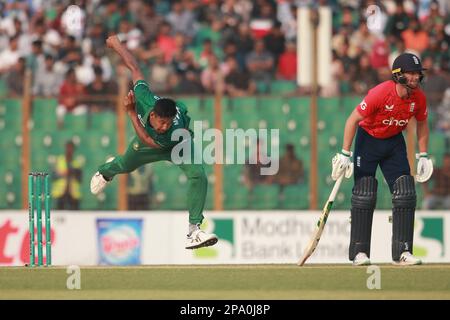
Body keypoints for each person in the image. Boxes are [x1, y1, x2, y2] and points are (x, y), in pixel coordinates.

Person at [90, 35, 217, 250]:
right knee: (124, 165)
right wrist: (117, 45)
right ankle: (105, 172)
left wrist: (131, 113)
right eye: (162, 122)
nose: (164, 126)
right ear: (153, 115)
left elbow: (150, 140)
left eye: (168, 123)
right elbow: (135, 67)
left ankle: (193, 231)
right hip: (147, 142)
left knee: (198, 175)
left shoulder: (173, 130)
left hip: (175, 145)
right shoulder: (144, 96)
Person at [331, 53, 433, 266]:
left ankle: (403, 252)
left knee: (405, 192)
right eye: (411, 73)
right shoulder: (380, 93)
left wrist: (423, 155)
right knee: (365, 193)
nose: (415, 77)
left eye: (417, 73)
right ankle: (359, 252)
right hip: (368, 141)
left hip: (394, 142)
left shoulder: (419, 98)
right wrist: (344, 153)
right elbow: (353, 119)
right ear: (398, 75)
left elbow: (422, 123)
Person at [52, 141, 82, 210]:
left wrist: (73, 172)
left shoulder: (76, 163)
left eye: (71, 148)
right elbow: (53, 176)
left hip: (73, 195)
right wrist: (62, 173)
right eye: (68, 148)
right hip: (60, 194)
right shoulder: (59, 160)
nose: (69, 150)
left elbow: (80, 179)